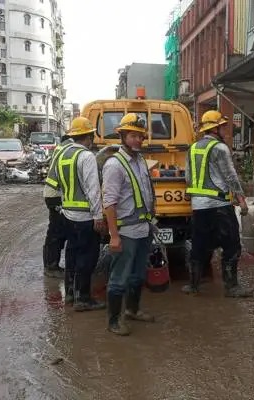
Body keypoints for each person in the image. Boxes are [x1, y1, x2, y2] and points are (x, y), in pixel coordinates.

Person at [183, 110, 253, 297]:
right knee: (231, 246)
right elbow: (231, 176)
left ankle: (193, 285)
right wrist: (241, 200)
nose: (225, 130)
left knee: (199, 246)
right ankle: (232, 287)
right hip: (219, 206)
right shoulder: (220, 148)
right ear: (214, 129)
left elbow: (188, 177)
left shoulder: (192, 148)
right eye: (223, 126)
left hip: (199, 207)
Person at [101, 113, 157, 336]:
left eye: (141, 136)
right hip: (125, 232)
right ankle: (113, 321)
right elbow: (109, 203)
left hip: (143, 229)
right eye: (133, 135)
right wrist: (114, 236)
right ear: (123, 136)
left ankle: (132, 310)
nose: (138, 140)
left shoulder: (140, 160)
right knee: (119, 278)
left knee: (138, 275)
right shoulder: (114, 165)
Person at [46, 116, 106, 311]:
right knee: (87, 258)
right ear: (88, 137)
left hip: (67, 215)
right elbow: (93, 189)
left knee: (71, 255)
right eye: (91, 137)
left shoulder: (62, 154)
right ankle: (83, 298)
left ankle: (71, 294)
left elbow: (55, 184)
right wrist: (98, 216)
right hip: (85, 217)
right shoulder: (86, 156)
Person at [42, 134, 73, 281]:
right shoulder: (68, 149)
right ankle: (51, 267)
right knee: (56, 232)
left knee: (55, 231)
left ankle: (51, 265)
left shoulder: (61, 147)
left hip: (53, 194)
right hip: (56, 195)